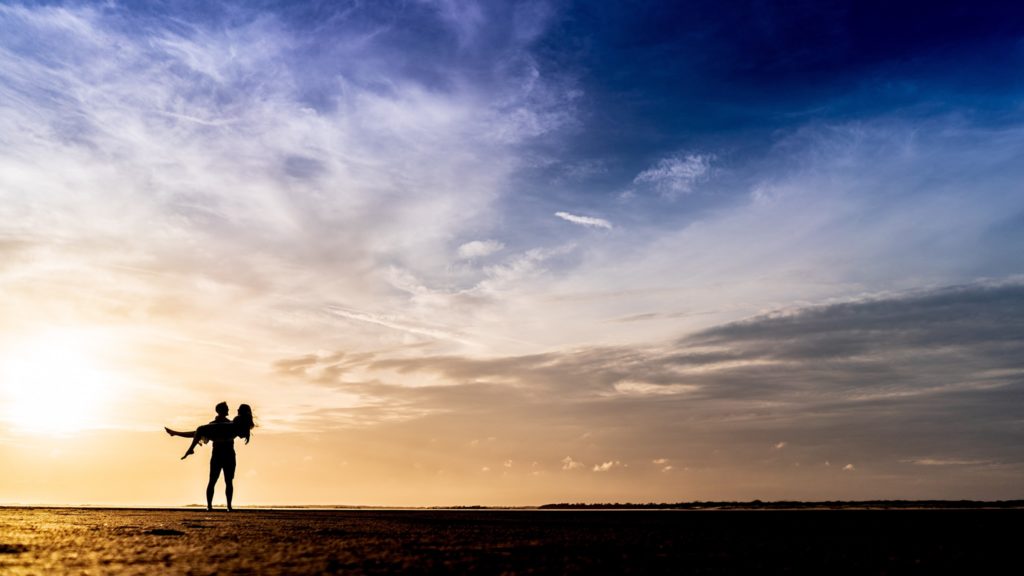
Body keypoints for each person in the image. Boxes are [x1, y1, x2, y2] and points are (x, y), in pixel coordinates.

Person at [165, 403, 256, 511]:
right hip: (218, 453)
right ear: (221, 411)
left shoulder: (232, 423)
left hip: (228, 453)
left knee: (228, 481)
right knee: (213, 480)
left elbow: (240, 430)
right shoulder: (215, 424)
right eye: (227, 409)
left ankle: (229, 506)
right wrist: (176, 433)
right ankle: (209, 506)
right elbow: (196, 434)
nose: (230, 409)